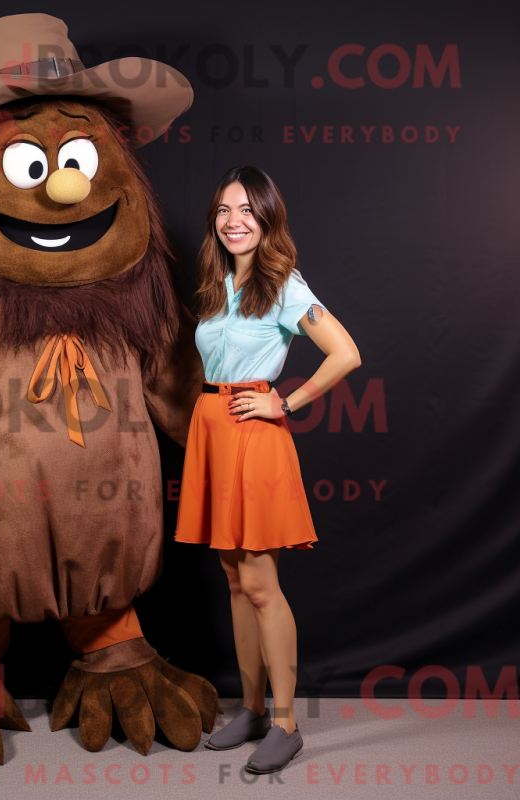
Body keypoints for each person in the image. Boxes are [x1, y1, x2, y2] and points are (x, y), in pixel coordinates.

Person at [174, 165, 361, 774]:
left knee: (260, 584)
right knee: (234, 582)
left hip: (254, 435)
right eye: (224, 210)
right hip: (212, 430)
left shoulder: (283, 285)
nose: (234, 221)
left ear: (267, 218)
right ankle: (252, 710)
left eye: (247, 210)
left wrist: (286, 402)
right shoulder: (217, 283)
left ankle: (285, 724)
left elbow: (346, 353)